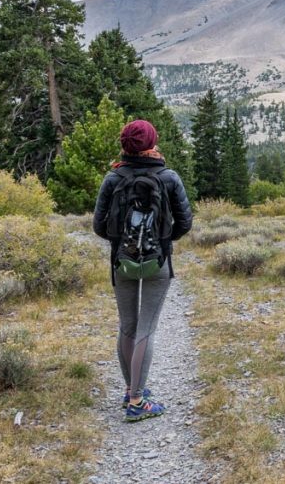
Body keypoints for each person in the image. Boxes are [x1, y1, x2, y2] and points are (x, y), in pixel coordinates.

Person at [93, 120, 193, 422]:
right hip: (157, 263)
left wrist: (122, 245)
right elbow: (185, 222)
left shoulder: (113, 177)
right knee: (146, 329)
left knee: (127, 325)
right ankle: (138, 399)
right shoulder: (168, 177)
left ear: (125, 145)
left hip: (122, 261)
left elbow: (99, 226)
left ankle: (129, 390)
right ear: (152, 142)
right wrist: (164, 241)